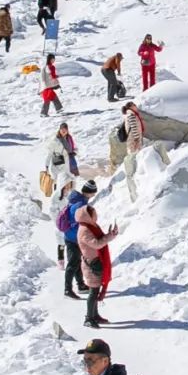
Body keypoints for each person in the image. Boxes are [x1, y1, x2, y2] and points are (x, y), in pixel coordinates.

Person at [77, 201, 118, 329]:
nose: (96, 215)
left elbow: (99, 241)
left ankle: (95, 315)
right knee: (93, 292)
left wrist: (109, 235)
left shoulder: (90, 227)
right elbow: (97, 244)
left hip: (96, 263)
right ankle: (88, 318)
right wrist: (109, 237)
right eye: (94, 214)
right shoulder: (84, 230)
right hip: (91, 266)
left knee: (95, 291)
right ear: (88, 216)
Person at [60, 180, 95, 299]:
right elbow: (77, 222)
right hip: (73, 238)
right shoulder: (80, 204)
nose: (94, 195)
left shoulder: (76, 200)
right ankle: (67, 290)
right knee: (72, 263)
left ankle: (81, 285)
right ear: (89, 193)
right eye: (93, 193)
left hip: (70, 236)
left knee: (77, 262)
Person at [45, 121, 79, 202]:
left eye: (65, 129)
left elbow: (74, 148)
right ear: (59, 130)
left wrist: (74, 152)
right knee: (58, 182)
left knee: (70, 180)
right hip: (57, 164)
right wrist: (46, 165)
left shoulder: (69, 138)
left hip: (68, 163)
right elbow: (49, 154)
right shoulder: (55, 140)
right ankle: (56, 199)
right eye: (62, 129)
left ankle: (68, 197)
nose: (63, 131)